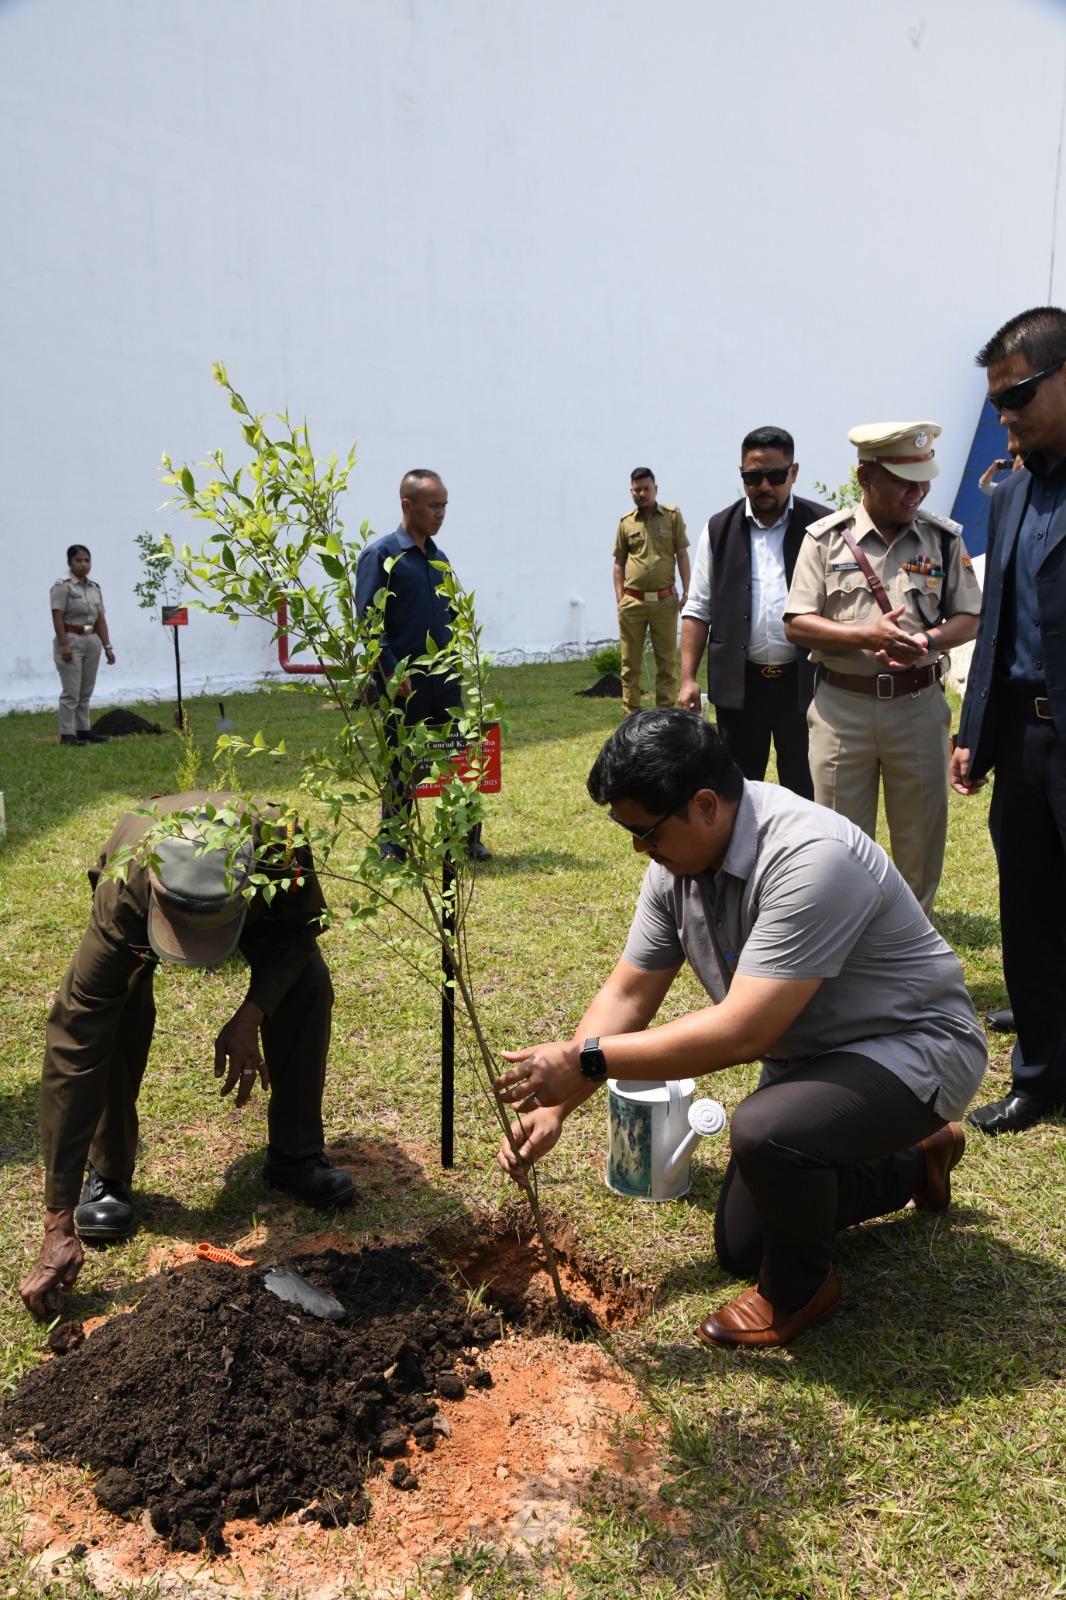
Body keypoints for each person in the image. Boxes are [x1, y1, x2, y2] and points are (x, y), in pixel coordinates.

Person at [494, 711, 986, 1348]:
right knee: (743, 1243)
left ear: (704, 805)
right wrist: (559, 1105)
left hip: (913, 1049)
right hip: (814, 1060)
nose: (639, 850)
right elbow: (628, 991)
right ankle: (915, 1162)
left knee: (767, 1133)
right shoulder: (676, 868)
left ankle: (800, 1294)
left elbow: (743, 1031)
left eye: (644, 831)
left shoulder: (811, 858)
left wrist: (587, 1061)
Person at [18, 792, 354, 1320]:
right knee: (117, 1008)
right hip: (136, 899)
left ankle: (296, 1155)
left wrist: (252, 1013)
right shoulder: (125, 888)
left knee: (307, 981)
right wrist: (57, 1218)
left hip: (262, 906)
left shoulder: (279, 845)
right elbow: (74, 1044)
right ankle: (107, 1174)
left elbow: (299, 932)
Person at [783, 423, 982, 915]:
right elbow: (796, 623)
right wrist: (864, 636)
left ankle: (912, 954)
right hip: (841, 711)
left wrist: (928, 640)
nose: (917, 492)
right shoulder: (825, 542)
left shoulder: (942, 539)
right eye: (902, 481)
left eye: (923, 480)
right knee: (839, 845)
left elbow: (972, 615)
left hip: (918, 707)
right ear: (865, 476)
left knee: (919, 843)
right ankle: (844, 956)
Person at [951, 306, 1066, 1135]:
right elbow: (998, 623)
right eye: (997, 400)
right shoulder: (1014, 487)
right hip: (1026, 738)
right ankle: (1040, 1077)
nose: (1005, 415)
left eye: (1019, 393)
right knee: (1027, 909)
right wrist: (974, 733)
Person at [678, 426, 830, 797]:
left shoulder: (823, 527)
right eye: (753, 477)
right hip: (740, 687)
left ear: (793, 473)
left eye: (775, 476)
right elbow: (698, 607)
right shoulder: (718, 529)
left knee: (807, 789)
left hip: (805, 684)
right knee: (737, 792)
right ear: (741, 474)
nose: (764, 486)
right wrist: (688, 678)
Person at [355, 469, 490, 862]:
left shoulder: (438, 557)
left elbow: (447, 613)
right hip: (404, 682)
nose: (441, 513)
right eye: (434, 505)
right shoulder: (381, 556)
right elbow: (369, 622)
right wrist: (391, 671)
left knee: (458, 755)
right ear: (407, 505)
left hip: (444, 678)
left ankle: (466, 838)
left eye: (445, 505)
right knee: (401, 761)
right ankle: (393, 844)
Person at [613, 469, 691, 716]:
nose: (642, 493)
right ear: (631, 491)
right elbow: (619, 563)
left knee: (666, 664)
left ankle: (665, 717)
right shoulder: (625, 522)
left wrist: (687, 592)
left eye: (646, 488)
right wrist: (620, 598)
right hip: (632, 603)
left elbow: (682, 555)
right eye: (637, 489)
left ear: (655, 489)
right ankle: (630, 717)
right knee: (629, 666)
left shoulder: (672, 517)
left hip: (665, 601)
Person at [50, 544, 115, 745]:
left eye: (87, 560)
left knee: (86, 690)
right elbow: (57, 617)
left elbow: (100, 620)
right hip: (71, 639)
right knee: (71, 690)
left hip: (91, 640)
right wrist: (64, 645)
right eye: (78, 560)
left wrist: (107, 646)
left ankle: (84, 729)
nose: (83, 564)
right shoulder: (63, 586)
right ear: (70, 562)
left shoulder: (94, 588)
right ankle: (67, 734)